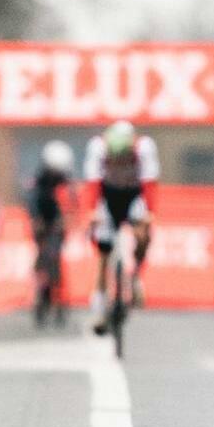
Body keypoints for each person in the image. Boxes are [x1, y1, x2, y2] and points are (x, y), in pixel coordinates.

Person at [83, 120, 157, 334]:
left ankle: (135, 277)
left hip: (133, 195)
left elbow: (149, 183)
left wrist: (149, 214)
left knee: (143, 232)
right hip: (108, 196)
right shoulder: (97, 148)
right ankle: (98, 308)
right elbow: (93, 184)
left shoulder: (144, 148)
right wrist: (92, 212)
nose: (119, 161)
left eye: (124, 157)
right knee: (104, 254)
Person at [30, 140, 74, 327]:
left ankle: (58, 298)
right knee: (41, 260)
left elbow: (71, 202)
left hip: (57, 226)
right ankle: (41, 293)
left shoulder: (65, 181)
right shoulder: (39, 180)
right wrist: (36, 221)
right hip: (42, 225)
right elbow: (32, 202)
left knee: (55, 259)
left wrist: (67, 219)